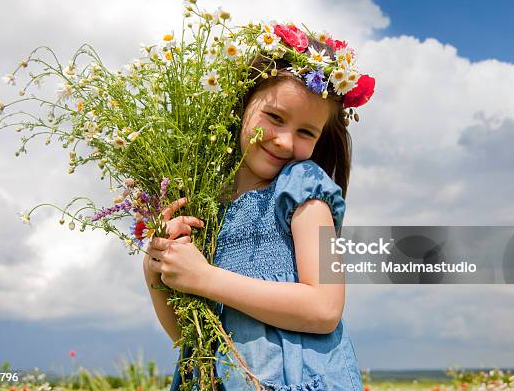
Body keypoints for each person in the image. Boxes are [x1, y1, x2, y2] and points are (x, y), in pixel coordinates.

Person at [143, 33, 374, 390]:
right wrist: (158, 272)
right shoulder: (207, 203)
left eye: (305, 132)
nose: (284, 140)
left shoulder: (305, 187)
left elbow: (326, 307)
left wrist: (204, 278)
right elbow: (191, 336)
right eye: (275, 117)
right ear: (241, 104)